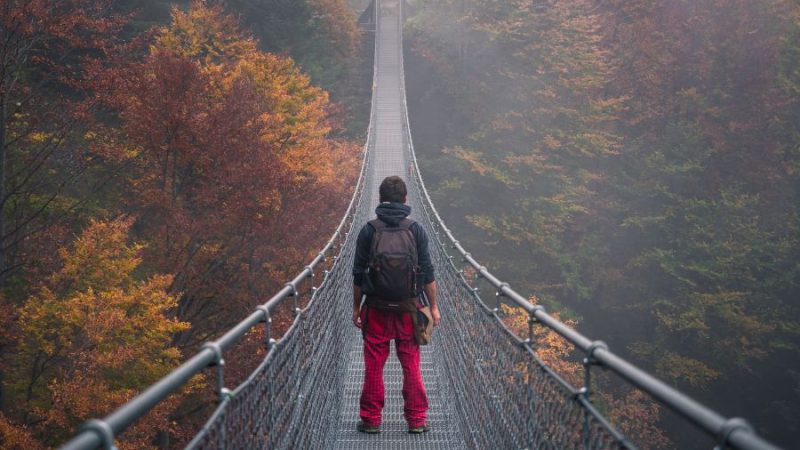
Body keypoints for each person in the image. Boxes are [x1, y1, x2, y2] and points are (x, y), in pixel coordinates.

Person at [352, 175, 440, 434]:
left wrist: (356, 308)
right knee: (411, 364)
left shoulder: (369, 230)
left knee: (374, 365)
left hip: (376, 309)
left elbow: (358, 275)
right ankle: (416, 421)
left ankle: (370, 420)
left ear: (380, 199)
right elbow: (428, 273)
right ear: (405, 199)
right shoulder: (416, 230)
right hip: (409, 310)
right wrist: (433, 307)